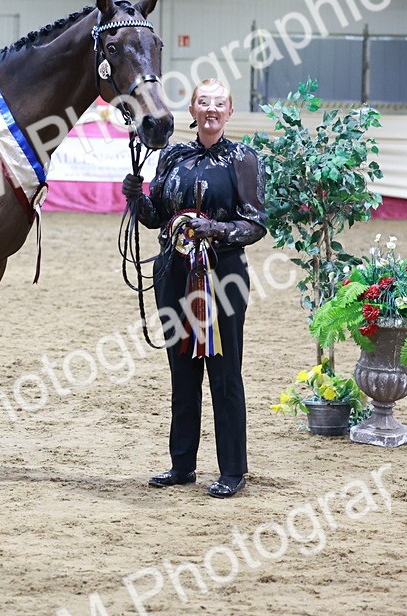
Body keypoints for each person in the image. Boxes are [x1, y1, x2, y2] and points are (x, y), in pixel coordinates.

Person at [122, 78, 267, 499]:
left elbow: (255, 223)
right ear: (192, 108)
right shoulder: (172, 154)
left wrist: (216, 228)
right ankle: (182, 463)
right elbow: (154, 215)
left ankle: (232, 470)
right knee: (181, 371)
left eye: (219, 103)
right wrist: (136, 198)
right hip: (173, 272)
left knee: (224, 374)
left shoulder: (243, 158)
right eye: (204, 102)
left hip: (222, 277)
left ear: (229, 110)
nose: (211, 110)